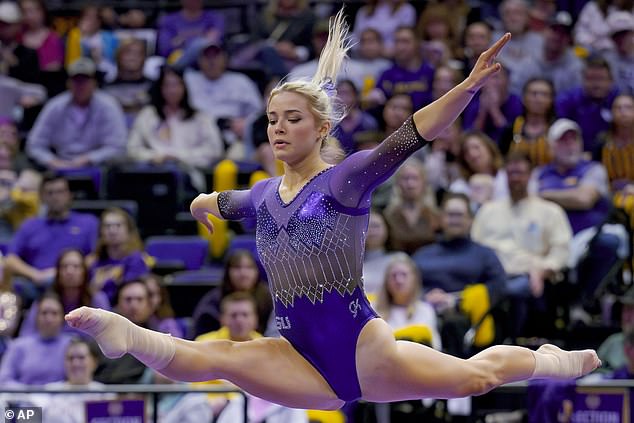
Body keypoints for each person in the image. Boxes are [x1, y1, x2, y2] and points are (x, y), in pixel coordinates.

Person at [66, 12, 600, 411]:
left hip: (362, 347)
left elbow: (412, 134)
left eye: (291, 118)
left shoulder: (345, 180)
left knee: (473, 378)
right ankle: (126, 333)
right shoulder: (263, 194)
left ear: (320, 128)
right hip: (299, 354)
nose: (276, 128)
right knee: (219, 356)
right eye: (272, 118)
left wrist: (465, 88)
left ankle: (555, 360)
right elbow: (223, 202)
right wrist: (201, 203)